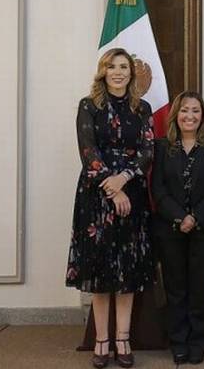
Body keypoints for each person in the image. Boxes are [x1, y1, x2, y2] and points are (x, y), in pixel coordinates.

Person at [65, 47, 155, 369]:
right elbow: (87, 150)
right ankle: (101, 341)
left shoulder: (142, 108)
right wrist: (111, 186)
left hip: (132, 192)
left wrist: (123, 179)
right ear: (103, 72)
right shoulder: (88, 106)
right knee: (101, 271)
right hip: (96, 196)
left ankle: (123, 339)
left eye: (123, 67)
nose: (118, 72)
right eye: (112, 67)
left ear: (131, 73)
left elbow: (147, 151)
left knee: (127, 270)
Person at [151, 91, 204, 365]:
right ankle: (178, 341)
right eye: (184, 110)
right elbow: (158, 189)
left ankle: (198, 341)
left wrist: (195, 217)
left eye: (195, 110)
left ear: (202, 115)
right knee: (175, 287)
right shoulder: (162, 147)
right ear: (176, 114)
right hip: (169, 229)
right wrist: (179, 217)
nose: (190, 116)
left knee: (198, 287)